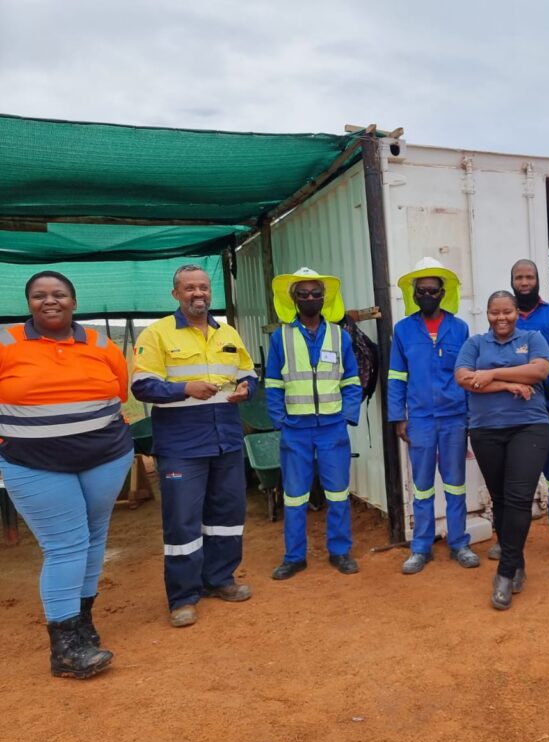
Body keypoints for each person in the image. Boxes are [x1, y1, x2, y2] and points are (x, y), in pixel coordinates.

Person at [0, 272, 134, 678]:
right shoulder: (6, 343)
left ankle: (83, 623)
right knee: (65, 546)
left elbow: (120, 390)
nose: (50, 301)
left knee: (94, 536)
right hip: (33, 463)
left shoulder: (98, 343)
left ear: (74, 302)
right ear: (29, 304)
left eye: (59, 294)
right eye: (40, 296)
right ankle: (63, 648)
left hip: (105, 456)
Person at [132, 264, 258, 628]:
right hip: (182, 445)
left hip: (226, 440)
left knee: (227, 516)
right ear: (176, 294)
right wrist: (184, 389)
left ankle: (220, 579)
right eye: (189, 288)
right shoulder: (157, 334)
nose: (197, 294)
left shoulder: (228, 332)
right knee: (182, 523)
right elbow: (142, 387)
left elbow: (248, 371)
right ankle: (183, 597)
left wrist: (248, 388)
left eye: (203, 287)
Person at [455, 290, 549, 609]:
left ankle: (506, 573)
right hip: (486, 429)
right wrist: (509, 384)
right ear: (487, 313)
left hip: (529, 426)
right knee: (500, 500)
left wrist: (492, 374)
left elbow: (539, 371)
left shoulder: (533, 337)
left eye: (507, 311)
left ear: (516, 312)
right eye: (495, 312)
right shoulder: (475, 344)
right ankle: (518, 558)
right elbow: (464, 379)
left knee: (518, 498)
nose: (502, 317)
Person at [265, 268, 363, 580]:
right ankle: (294, 557)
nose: (310, 299)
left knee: (337, 493)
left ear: (324, 298)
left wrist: (348, 415)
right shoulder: (280, 336)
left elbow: (351, 381)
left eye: (315, 294)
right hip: (295, 428)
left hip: (332, 426)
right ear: (293, 298)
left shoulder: (339, 336)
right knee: (294, 496)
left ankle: (340, 551)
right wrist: (280, 421)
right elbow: (272, 384)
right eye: (303, 294)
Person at [387, 257, 479, 574]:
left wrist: (469, 416)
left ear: (442, 293)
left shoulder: (459, 327)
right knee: (423, 486)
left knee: (455, 484)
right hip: (421, 420)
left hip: (454, 417)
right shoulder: (403, 330)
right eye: (421, 290)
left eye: (432, 290)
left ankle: (459, 543)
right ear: (414, 295)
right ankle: (421, 547)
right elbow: (396, 377)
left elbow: (468, 374)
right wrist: (399, 416)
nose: (426, 295)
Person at [499, 258, 549, 558]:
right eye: (519, 277)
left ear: (538, 280)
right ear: (512, 282)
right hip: (512, 407)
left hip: (546, 405)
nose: (524, 283)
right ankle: (506, 538)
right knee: (511, 477)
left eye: (529, 277)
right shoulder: (505, 316)